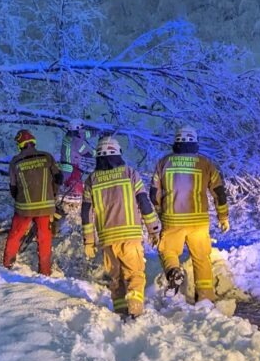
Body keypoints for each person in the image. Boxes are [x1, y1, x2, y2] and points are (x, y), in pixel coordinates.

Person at [82, 136, 161, 319]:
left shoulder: (91, 180)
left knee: (116, 278)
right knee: (135, 274)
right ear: (118, 153)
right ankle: (135, 310)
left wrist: (89, 241)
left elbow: (86, 212)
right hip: (130, 237)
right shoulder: (130, 173)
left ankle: (120, 314)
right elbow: (144, 203)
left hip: (107, 240)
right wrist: (153, 229)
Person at [150, 126, 229, 302]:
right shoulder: (205, 164)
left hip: (172, 219)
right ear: (195, 143)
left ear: (176, 142)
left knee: (168, 251)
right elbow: (219, 192)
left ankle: (173, 271)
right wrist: (223, 217)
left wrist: (159, 211)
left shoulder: (164, 163)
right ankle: (206, 300)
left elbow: (153, 193)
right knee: (201, 259)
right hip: (199, 222)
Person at [3, 129, 63, 276]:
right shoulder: (47, 157)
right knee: (44, 239)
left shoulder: (15, 162)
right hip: (46, 207)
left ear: (20, 145)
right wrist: (52, 196)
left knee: (15, 235)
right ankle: (45, 272)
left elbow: (13, 187)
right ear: (34, 142)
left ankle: (7, 266)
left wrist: (20, 198)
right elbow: (58, 178)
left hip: (24, 208)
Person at [59, 119, 96, 203]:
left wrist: (95, 132)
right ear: (78, 128)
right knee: (74, 186)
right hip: (70, 167)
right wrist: (97, 152)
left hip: (68, 165)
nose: (83, 129)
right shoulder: (75, 140)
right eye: (82, 127)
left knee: (68, 185)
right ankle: (72, 201)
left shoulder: (71, 135)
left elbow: (84, 134)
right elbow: (86, 152)